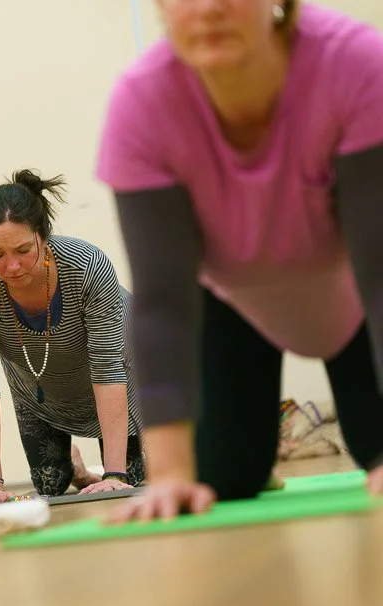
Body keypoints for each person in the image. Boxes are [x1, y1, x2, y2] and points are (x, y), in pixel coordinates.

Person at [96, 1, 383, 523]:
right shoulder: (141, 105)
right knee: (220, 480)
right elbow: (162, 302)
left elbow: (380, 272)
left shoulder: (354, 63)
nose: (208, 8)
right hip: (232, 299)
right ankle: (249, 451)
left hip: (355, 296)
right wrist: (169, 475)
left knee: (377, 451)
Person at [0, 169, 146, 503]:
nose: (11, 266)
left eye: (24, 250)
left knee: (130, 489)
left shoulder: (87, 267)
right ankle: (78, 471)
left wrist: (114, 474)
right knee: (49, 487)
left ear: (44, 236)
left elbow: (108, 367)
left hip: (123, 379)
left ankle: (102, 472)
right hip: (40, 391)